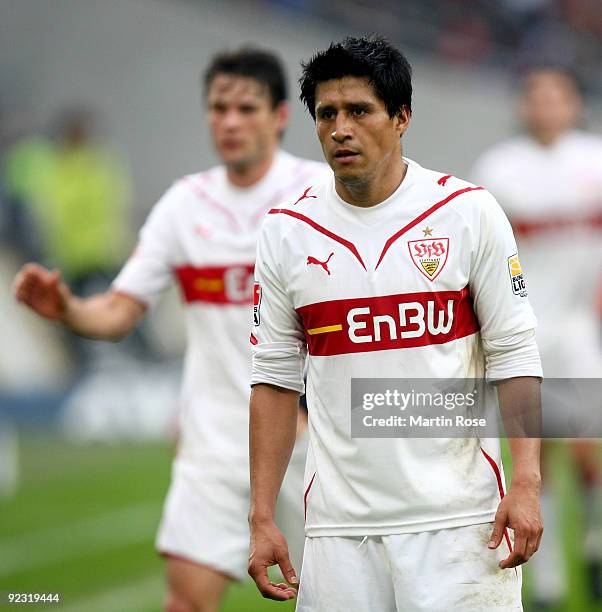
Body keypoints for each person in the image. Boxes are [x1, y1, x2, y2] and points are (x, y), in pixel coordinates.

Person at [13, 48, 327, 612]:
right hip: (215, 436)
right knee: (186, 599)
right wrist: (67, 308)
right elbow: (118, 311)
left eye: (245, 108)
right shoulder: (184, 204)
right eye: (218, 108)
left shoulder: (319, 194)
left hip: (314, 436)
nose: (229, 121)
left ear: (280, 115)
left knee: (335, 600)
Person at [247, 35, 543, 611]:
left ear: (401, 117)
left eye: (359, 111)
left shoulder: (467, 212)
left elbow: (515, 355)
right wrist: (261, 515)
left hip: (460, 525)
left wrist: (527, 483)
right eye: (326, 114)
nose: (340, 129)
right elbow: (274, 380)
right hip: (337, 532)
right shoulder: (285, 230)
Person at [472, 65, 602, 609]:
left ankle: (594, 549)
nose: (547, 105)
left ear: (574, 103)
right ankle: (546, 585)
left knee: (591, 450)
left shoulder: (594, 159)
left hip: (580, 325)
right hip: (526, 330)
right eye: (537, 95)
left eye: (558, 94)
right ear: (524, 106)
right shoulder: (500, 169)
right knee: (537, 460)